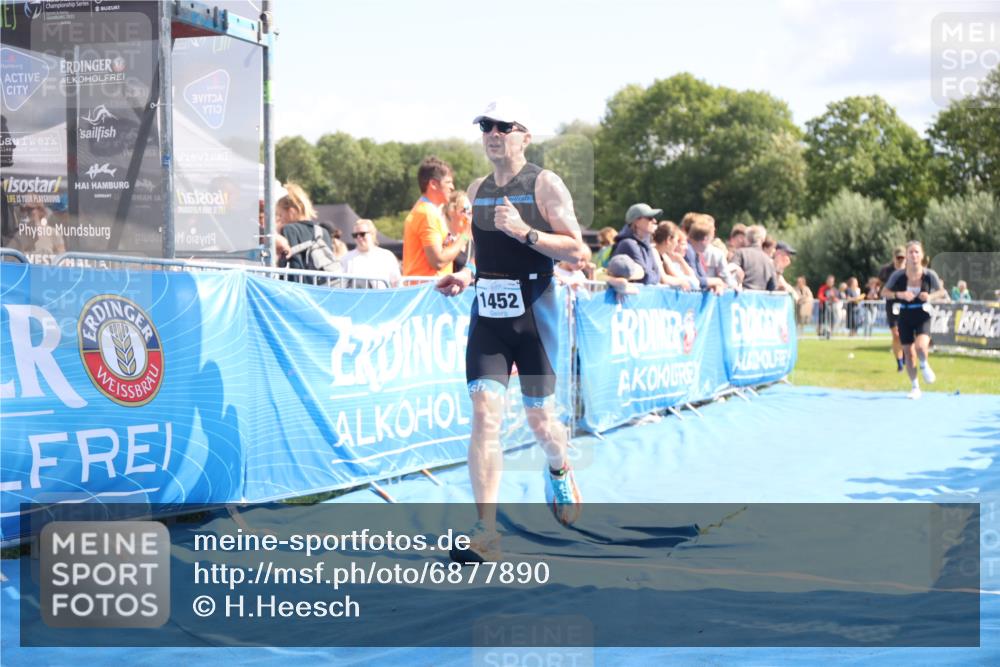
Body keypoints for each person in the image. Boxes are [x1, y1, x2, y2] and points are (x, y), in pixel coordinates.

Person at [435, 100, 588, 562]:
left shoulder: (545, 184)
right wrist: (467, 275)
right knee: (484, 414)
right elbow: (484, 254)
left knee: (542, 420)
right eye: (485, 126)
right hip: (489, 317)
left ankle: (560, 469)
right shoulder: (477, 188)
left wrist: (528, 233)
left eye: (504, 126)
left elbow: (577, 252)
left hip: (535, 317)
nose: (493, 133)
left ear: (525, 136)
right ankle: (486, 529)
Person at [881, 240, 947, 399]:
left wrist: (929, 296)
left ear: (922, 255)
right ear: (907, 256)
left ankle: (924, 364)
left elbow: (941, 292)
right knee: (909, 354)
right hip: (904, 315)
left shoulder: (929, 274)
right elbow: (884, 292)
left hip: (923, 314)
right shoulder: (898, 275)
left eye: (917, 252)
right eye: (910, 252)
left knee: (921, 347)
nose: (913, 255)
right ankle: (915, 387)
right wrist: (899, 295)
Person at [402, 156, 467, 277]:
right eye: (448, 182)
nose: (452, 187)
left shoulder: (426, 210)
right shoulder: (427, 214)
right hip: (427, 291)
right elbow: (439, 261)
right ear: (433, 184)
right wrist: (465, 235)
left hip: (427, 290)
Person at [273, 183, 338, 284]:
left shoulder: (288, 229)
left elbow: (290, 264)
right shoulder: (323, 232)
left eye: (280, 214)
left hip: (296, 290)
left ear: (291, 212)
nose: (279, 219)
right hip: (322, 290)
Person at [609, 203, 662, 286]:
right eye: (650, 218)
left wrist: (652, 276)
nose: (654, 221)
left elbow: (657, 275)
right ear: (636, 221)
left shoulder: (646, 245)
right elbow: (645, 278)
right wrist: (652, 276)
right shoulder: (628, 244)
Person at [341, 219, 402, 288]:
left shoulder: (386, 256)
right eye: (355, 235)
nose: (358, 237)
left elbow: (397, 283)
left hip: (381, 297)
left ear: (372, 234)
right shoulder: (346, 258)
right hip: (354, 297)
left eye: (362, 234)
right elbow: (341, 285)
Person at [878, 246, 907, 371]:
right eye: (898, 257)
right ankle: (899, 363)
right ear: (893, 257)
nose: (900, 260)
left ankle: (906, 355)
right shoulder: (886, 270)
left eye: (902, 257)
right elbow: (880, 284)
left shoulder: (910, 269)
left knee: (907, 333)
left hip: (907, 304)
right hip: (892, 303)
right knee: (896, 334)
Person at [652, 221, 697, 290]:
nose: (676, 244)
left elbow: (676, 275)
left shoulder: (664, 255)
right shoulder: (653, 251)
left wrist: (681, 261)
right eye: (676, 240)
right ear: (668, 240)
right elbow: (664, 279)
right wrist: (681, 282)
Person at [731, 224, 777, 291]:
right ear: (761, 240)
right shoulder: (768, 260)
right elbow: (773, 287)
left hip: (741, 297)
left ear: (746, 239)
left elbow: (731, 272)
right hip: (760, 299)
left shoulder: (740, 253)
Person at [444, 190, 474, 273]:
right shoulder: (446, 238)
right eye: (464, 210)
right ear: (452, 212)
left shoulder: (471, 240)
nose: (469, 214)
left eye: (471, 211)